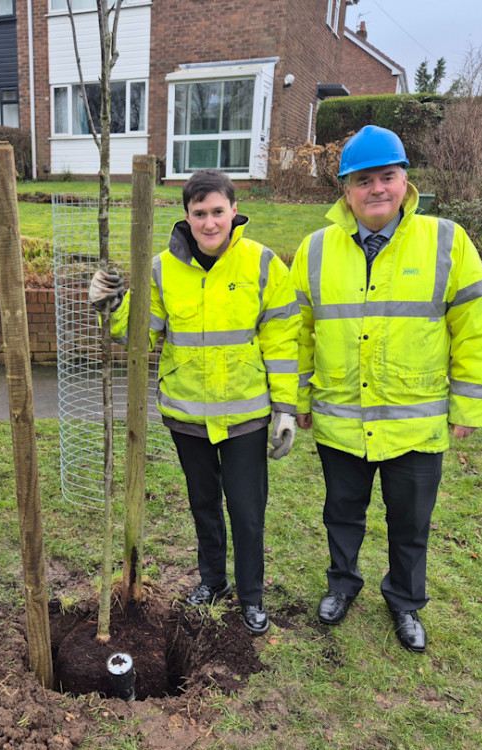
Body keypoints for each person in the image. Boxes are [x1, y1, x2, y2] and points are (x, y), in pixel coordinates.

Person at [290, 125, 482, 652]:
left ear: (406, 182)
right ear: (345, 189)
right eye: (363, 180)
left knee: (410, 524)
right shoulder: (315, 250)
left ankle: (405, 602)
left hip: (416, 423)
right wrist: (297, 400)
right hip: (342, 419)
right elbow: (297, 334)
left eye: (388, 176)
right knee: (342, 514)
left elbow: (475, 324)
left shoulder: (445, 240)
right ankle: (342, 585)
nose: (376, 189)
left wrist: (469, 404)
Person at [88, 169, 300, 635]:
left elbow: (282, 340)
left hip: (245, 415)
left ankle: (252, 596)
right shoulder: (163, 268)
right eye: (199, 213)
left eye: (217, 212)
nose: (209, 223)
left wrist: (285, 408)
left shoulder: (263, 265)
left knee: (246, 510)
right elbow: (140, 332)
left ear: (234, 210)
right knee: (203, 503)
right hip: (187, 416)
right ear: (186, 214)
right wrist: (112, 305)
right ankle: (213, 581)